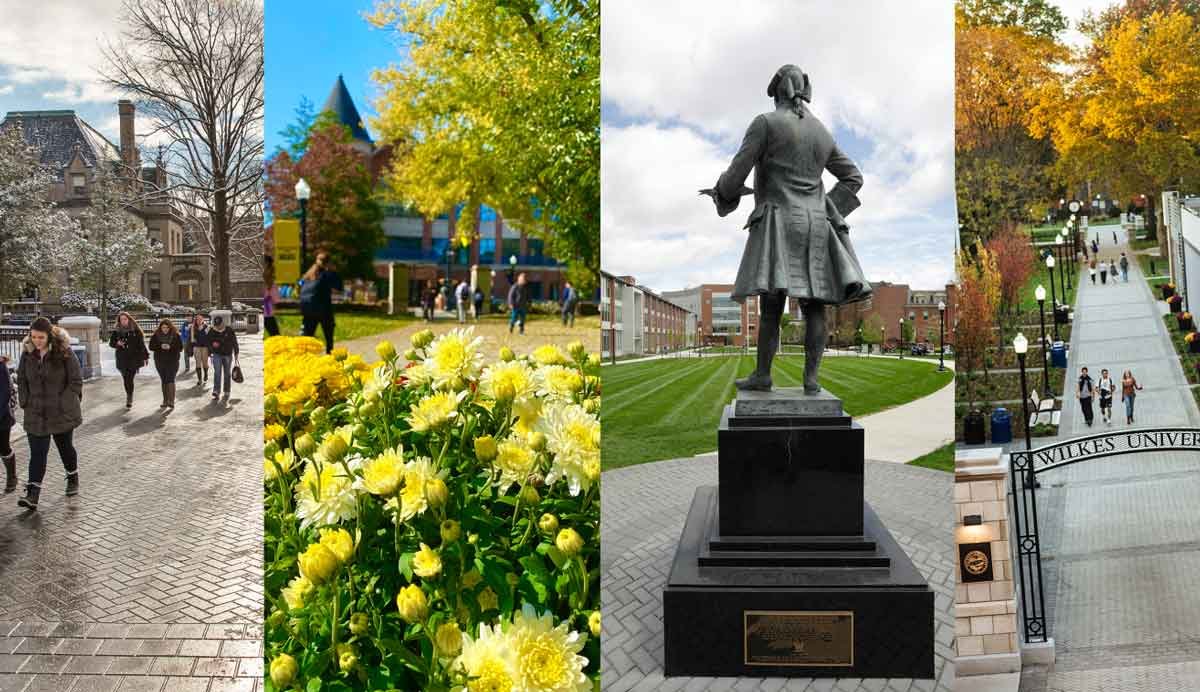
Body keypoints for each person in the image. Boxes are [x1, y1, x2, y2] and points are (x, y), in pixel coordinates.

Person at [702, 64, 870, 393]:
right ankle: (811, 380)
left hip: (778, 222)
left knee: (771, 305)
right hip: (816, 227)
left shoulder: (765, 123)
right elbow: (854, 178)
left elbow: (736, 175)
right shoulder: (822, 132)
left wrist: (721, 192)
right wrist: (827, 209)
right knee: (814, 304)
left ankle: (763, 374)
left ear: (779, 90)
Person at [15, 317, 82, 511]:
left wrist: (65, 402)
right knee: (37, 454)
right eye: (34, 337)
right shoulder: (27, 354)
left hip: (60, 412)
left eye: (41, 337)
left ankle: (72, 477)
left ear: (49, 336)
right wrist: (25, 400)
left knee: (65, 448)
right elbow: (21, 378)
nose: (37, 341)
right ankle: (32, 494)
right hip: (35, 413)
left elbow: (75, 380)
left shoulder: (64, 352)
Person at [299, 251, 343, 354]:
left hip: (308, 310)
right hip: (324, 310)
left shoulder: (308, 274)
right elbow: (339, 287)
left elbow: (300, 283)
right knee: (329, 338)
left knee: (307, 338)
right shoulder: (327, 274)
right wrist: (334, 271)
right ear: (328, 263)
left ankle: (304, 358)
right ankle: (329, 357)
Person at [109, 312, 148, 410]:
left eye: (125, 319)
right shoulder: (116, 331)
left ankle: (129, 397)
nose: (123, 321)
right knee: (126, 378)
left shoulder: (135, 331)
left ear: (129, 319)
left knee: (129, 378)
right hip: (122, 359)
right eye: (121, 319)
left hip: (133, 359)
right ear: (119, 321)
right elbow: (111, 343)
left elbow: (141, 345)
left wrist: (145, 356)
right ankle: (129, 394)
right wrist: (117, 343)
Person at [148, 319, 183, 410]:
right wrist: (160, 346)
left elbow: (180, 347)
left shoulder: (175, 335)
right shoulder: (156, 336)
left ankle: (171, 401)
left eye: (167, 327)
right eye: (163, 327)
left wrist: (170, 347)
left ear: (170, 327)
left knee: (170, 378)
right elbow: (151, 346)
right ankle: (165, 400)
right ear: (160, 327)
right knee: (164, 380)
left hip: (172, 361)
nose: (165, 329)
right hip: (160, 361)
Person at [207, 315, 240, 400]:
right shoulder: (212, 330)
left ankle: (227, 390)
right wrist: (212, 347)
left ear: (223, 323)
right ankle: (216, 391)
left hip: (227, 354)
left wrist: (236, 353)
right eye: (216, 325)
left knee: (227, 373)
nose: (218, 327)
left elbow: (234, 342)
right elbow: (208, 342)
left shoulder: (229, 330)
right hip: (217, 354)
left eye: (219, 325)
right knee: (217, 373)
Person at [1, 355, 16, 493]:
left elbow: (5, 392)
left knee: (3, 447)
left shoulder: (1, 366)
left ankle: (12, 476)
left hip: (2, 416)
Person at [189, 314, 210, 386]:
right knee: (198, 362)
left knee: (205, 362)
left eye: (200, 319)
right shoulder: (193, 327)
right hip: (196, 347)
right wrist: (193, 340)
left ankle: (206, 374)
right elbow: (192, 339)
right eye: (197, 319)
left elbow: (209, 337)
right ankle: (199, 379)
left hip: (205, 347)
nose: (199, 321)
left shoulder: (206, 327)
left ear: (203, 320)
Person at [264, 255, 281, 337]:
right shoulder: (270, 282)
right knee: (276, 336)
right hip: (267, 313)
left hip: (262, 312)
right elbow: (276, 299)